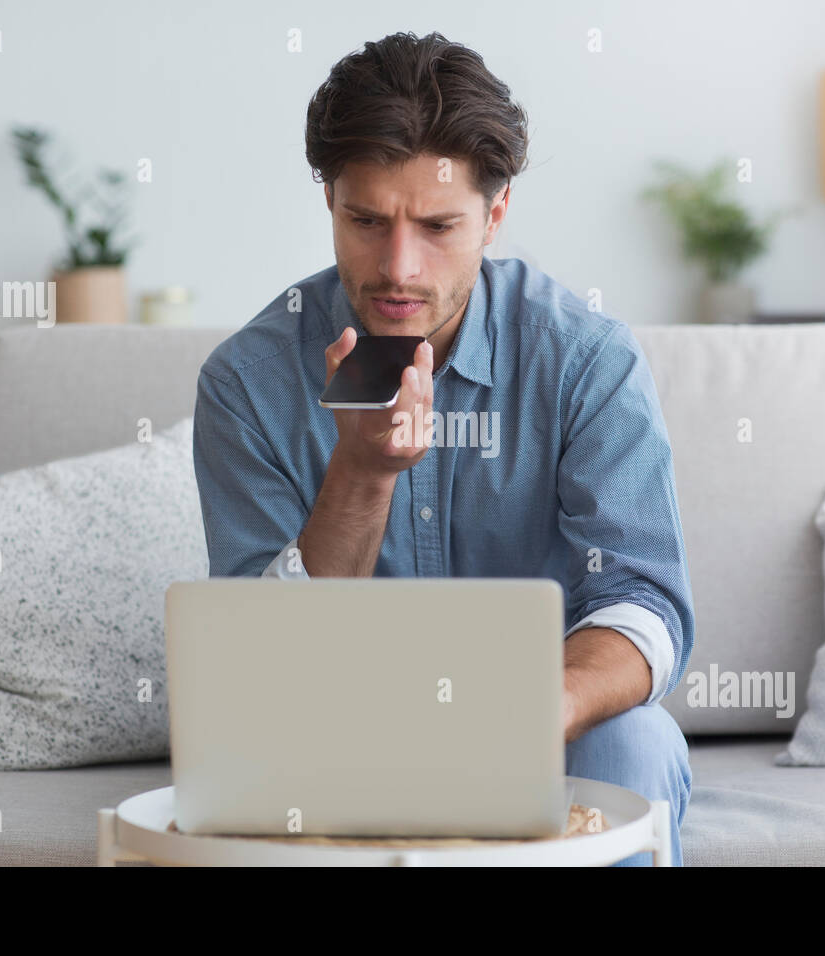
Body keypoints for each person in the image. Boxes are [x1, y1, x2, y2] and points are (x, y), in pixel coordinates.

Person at [193, 31, 694, 866]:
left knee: (634, 747)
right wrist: (359, 471)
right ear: (329, 202)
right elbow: (261, 672)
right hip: (334, 742)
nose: (398, 267)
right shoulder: (247, 383)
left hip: (549, 737)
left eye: (437, 226)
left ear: (495, 215)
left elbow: (645, 604)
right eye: (366, 221)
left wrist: (543, 708)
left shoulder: (586, 361)